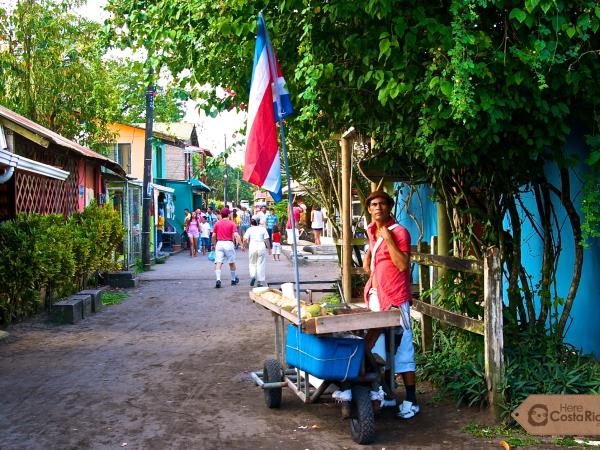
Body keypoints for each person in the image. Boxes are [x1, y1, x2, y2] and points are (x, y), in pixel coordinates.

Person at [362, 190, 418, 420]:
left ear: (389, 207)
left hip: (396, 299)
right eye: (374, 204)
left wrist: (388, 240)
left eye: (382, 204)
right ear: (369, 209)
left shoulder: (399, 232)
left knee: (403, 350)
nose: (378, 208)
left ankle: (412, 401)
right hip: (377, 298)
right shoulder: (373, 232)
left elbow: (402, 264)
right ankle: (388, 394)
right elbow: (370, 268)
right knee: (379, 350)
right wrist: (371, 250)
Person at [212, 207, 241, 288]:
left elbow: (213, 235)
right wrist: (241, 244)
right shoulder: (232, 223)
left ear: (221, 214)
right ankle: (233, 280)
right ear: (228, 214)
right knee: (231, 262)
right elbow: (236, 235)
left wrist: (214, 244)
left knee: (218, 262)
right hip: (228, 243)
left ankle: (218, 280)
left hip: (219, 243)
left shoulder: (217, 223)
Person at [243, 218, 271, 287]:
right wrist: (269, 249)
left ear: (251, 223)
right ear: (258, 222)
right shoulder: (263, 229)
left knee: (252, 263)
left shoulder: (249, 229)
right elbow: (266, 240)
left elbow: (245, 239)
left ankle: (253, 276)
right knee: (260, 264)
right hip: (261, 247)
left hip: (252, 247)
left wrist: (243, 246)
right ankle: (259, 282)